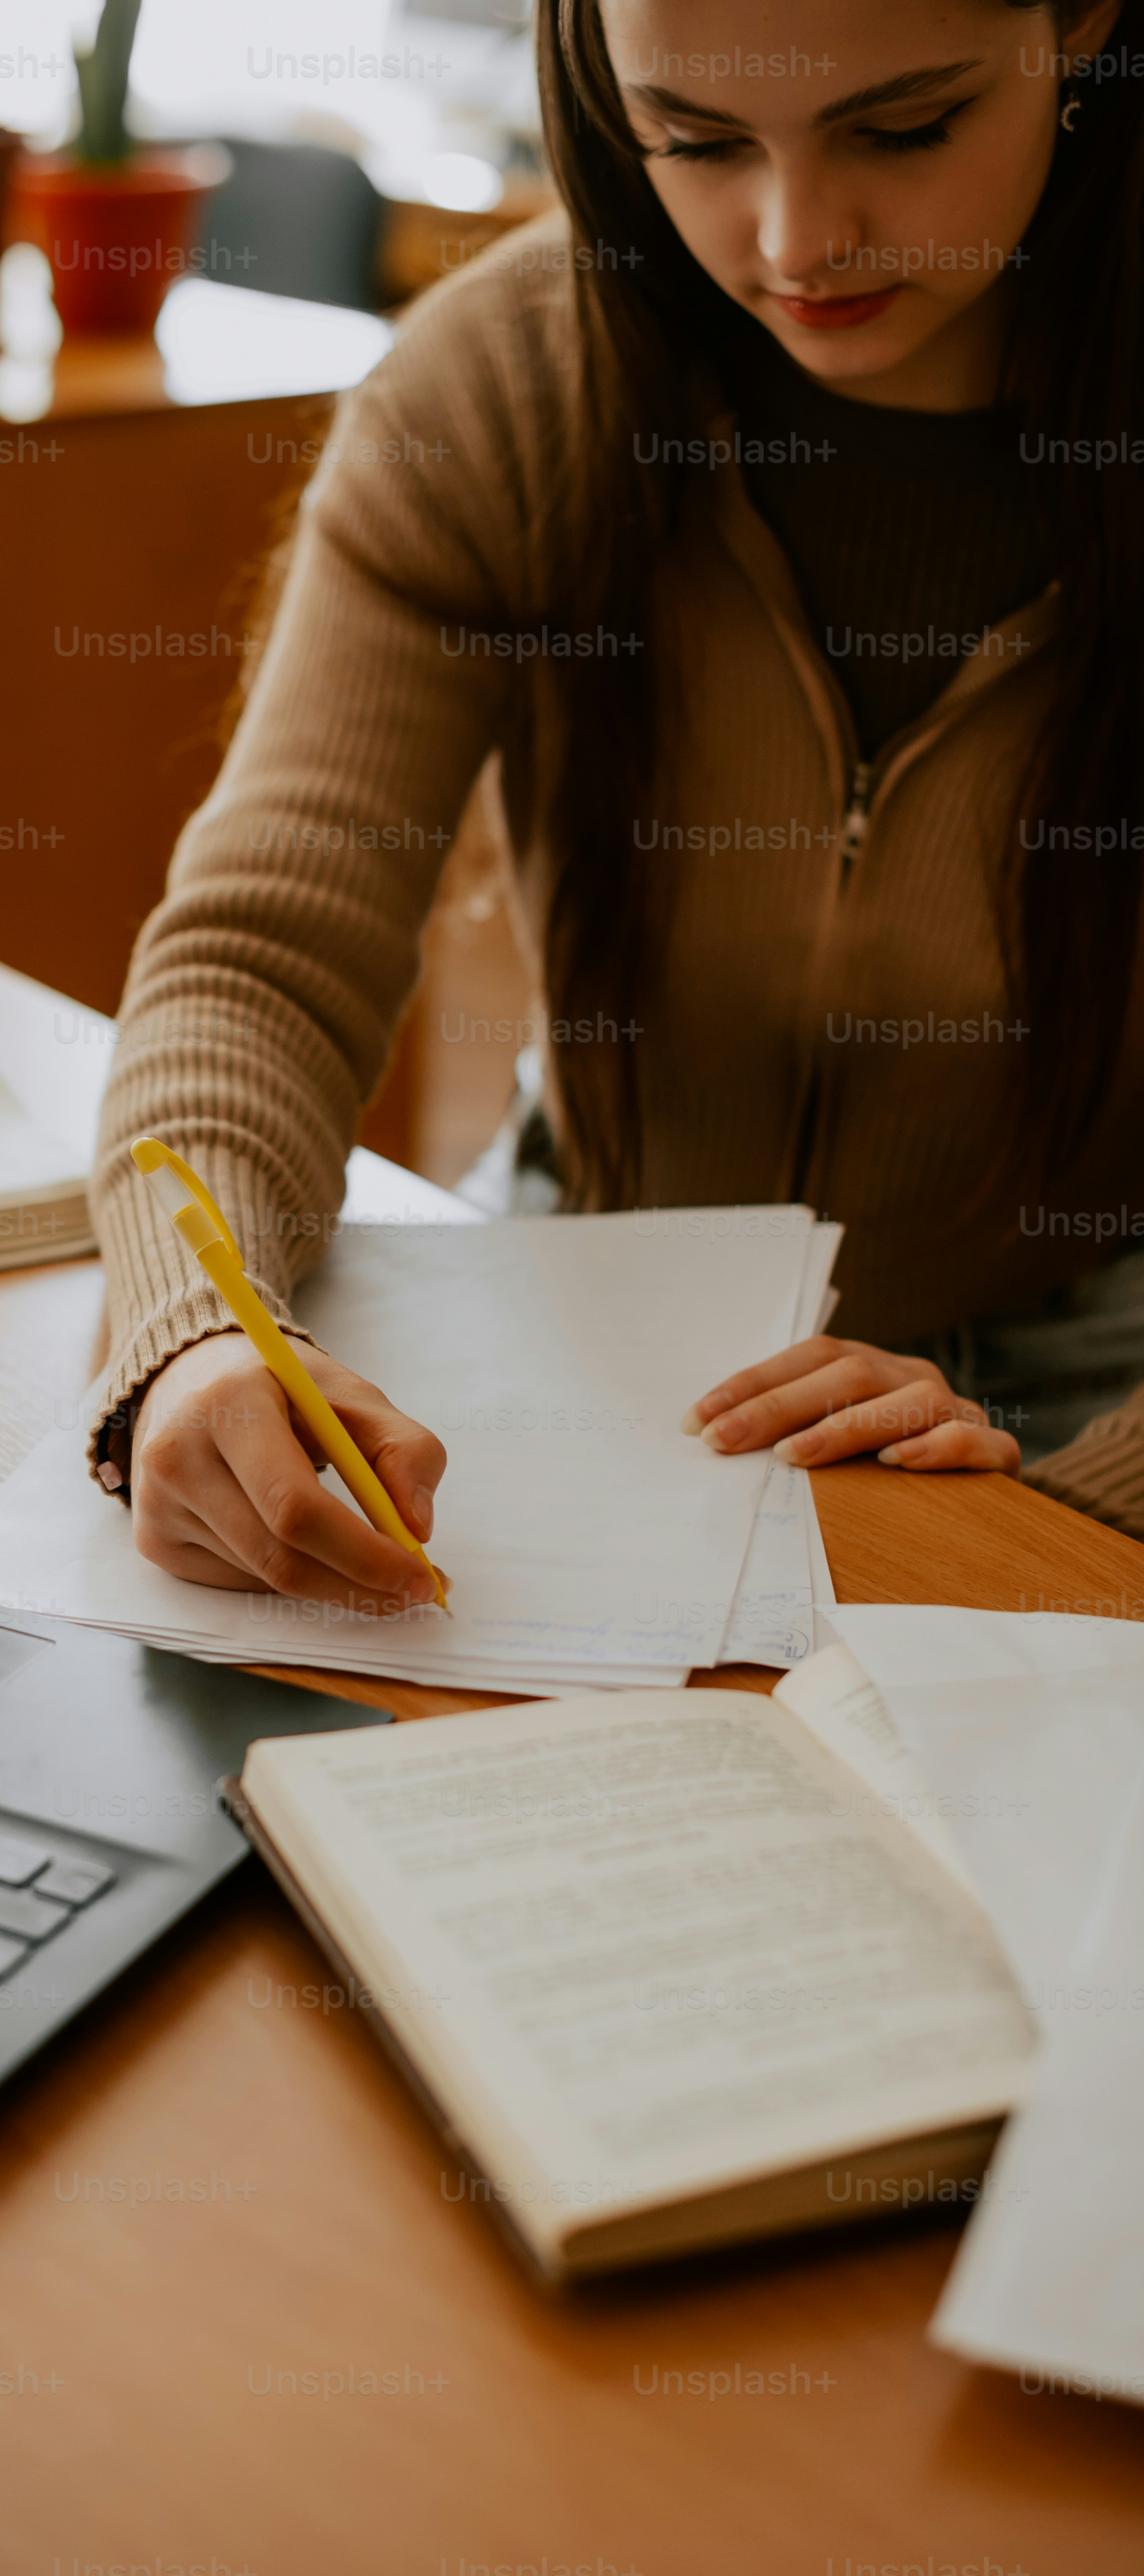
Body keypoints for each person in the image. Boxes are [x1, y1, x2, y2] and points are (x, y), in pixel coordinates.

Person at [87, 0, 1144, 1610]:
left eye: (906, 127)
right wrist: (196, 1330)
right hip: (589, 1326)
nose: (798, 240)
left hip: (1092, 1391)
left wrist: (1049, 1522)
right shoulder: (512, 383)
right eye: (698, 140)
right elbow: (262, 945)